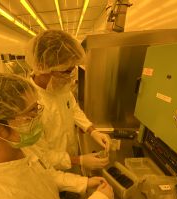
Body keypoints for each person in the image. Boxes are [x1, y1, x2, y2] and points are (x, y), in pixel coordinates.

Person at [25, 30, 112, 172]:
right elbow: (40, 155)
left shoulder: (59, 88)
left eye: (72, 70)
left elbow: (73, 109)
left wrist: (92, 130)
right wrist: (81, 160)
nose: (70, 77)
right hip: (50, 173)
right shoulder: (27, 104)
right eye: (65, 71)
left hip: (71, 160)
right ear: (42, 67)